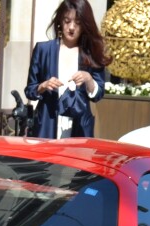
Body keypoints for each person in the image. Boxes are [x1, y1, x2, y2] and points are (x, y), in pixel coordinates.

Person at [24, 0, 110, 139]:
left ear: (84, 25)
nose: (71, 27)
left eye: (77, 23)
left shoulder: (91, 52)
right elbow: (30, 90)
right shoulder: (43, 50)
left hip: (79, 126)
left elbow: (98, 94)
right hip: (47, 123)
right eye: (67, 21)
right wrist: (44, 86)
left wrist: (88, 79)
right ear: (60, 21)